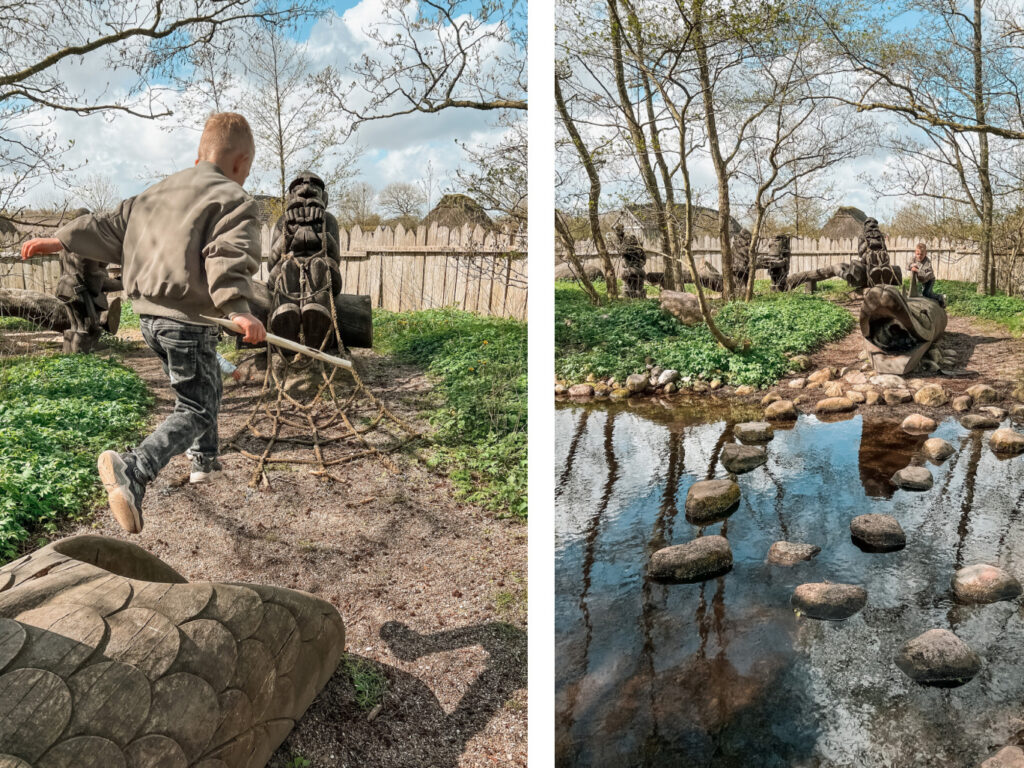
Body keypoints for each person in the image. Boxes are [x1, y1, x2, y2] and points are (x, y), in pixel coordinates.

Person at [20, 112, 267, 534]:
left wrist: (60, 238)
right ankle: (134, 470)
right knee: (196, 406)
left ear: (198, 156)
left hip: (149, 317)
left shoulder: (155, 194)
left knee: (208, 379)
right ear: (242, 163)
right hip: (187, 319)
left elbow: (107, 225)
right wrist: (238, 308)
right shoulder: (235, 199)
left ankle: (205, 461)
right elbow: (229, 254)